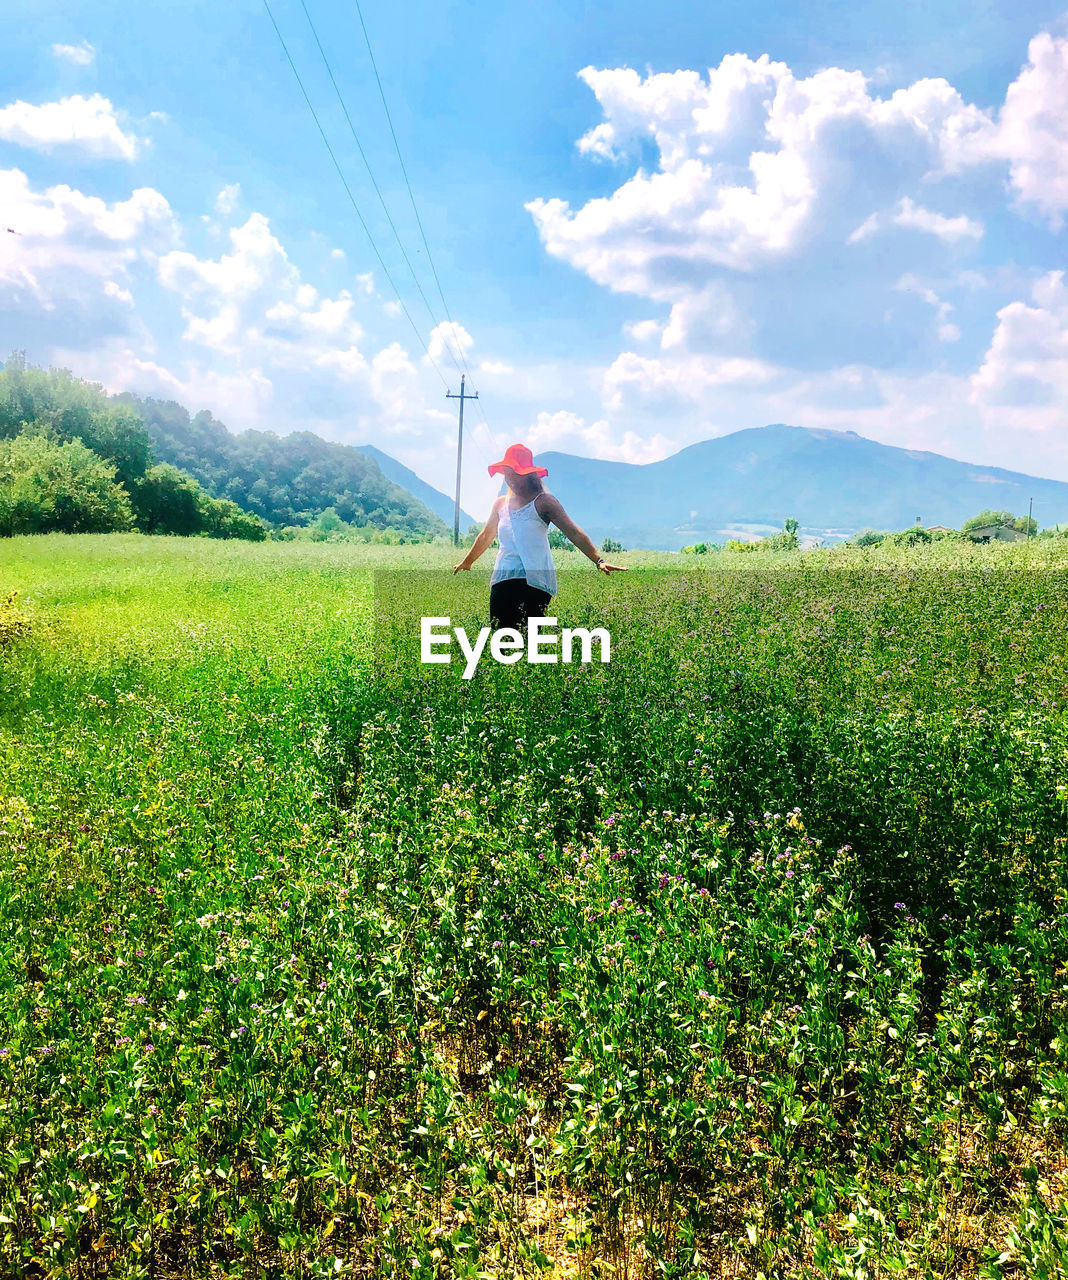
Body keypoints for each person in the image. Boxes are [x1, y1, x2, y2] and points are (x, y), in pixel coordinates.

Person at [453, 442, 628, 629]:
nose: (510, 479)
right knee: (501, 639)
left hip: (535, 582)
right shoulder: (500, 504)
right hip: (503, 578)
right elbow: (486, 535)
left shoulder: (544, 502)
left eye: (515, 473)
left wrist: (598, 560)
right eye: (507, 474)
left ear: (528, 474)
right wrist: (468, 561)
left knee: (528, 640)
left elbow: (574, 532)